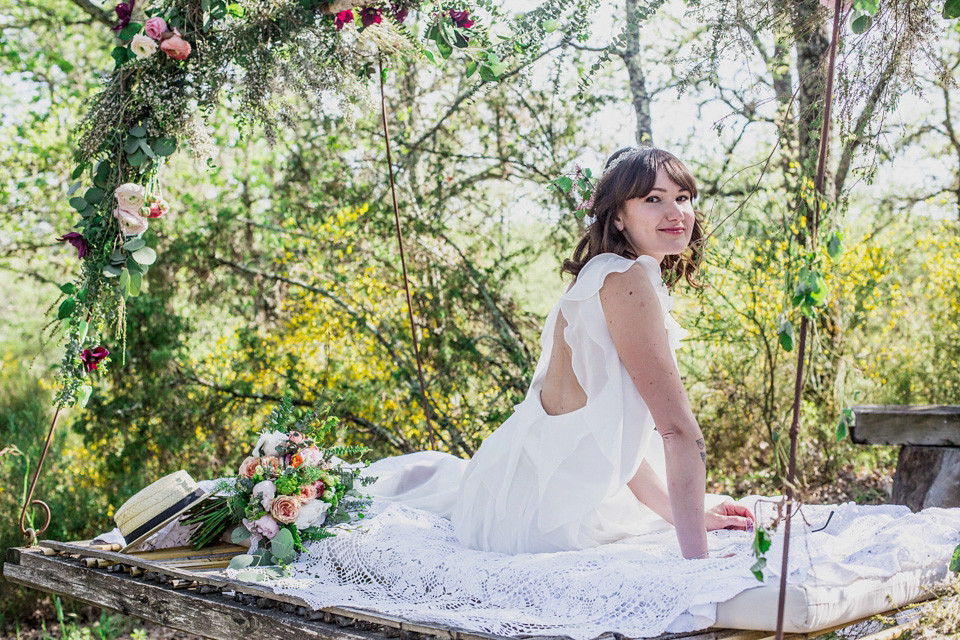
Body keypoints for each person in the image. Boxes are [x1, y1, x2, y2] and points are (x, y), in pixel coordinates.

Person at [367, 147, 754, 558]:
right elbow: (679, 431)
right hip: (549, 519)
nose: (676, 212)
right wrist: (699, 564)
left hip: (520, 497)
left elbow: (610, 437)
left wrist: (691, 518)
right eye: (653, 199)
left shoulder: (604, 274)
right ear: (618, 217)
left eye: (683, 197)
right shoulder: (624, 281)